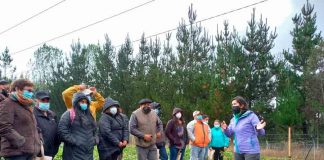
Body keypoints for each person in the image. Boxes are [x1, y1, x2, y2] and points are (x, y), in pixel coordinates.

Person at [0, 79, 41, 160]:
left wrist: (39, 140)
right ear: (17, 89)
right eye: (28, 90)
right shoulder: (8, 103)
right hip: (16, 153)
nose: (31, 93)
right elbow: (4, 127)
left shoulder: (26, 105)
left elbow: (34, 126)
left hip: (28, 152)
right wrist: (20, 141)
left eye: (32, 91)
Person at [221, 96, 266, 160]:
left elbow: (262, 133)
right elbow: (229, 134)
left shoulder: (251, 116)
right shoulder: (233, 120)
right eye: (232, 104)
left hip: (251, 151)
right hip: (238, 151)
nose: (233, 106)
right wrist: (225, 129)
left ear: (242, 105)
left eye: (235, 104)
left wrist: (258, 129)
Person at [58, 92, 97, 160]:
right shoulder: (68, 114)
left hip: (88, 153)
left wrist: (95, 140)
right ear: (76, 102)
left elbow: (95, 130)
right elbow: (62, 131)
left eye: (86, 102)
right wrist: (75, 141)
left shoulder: (89, 116)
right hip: (73, 154)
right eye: (82, 102)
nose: (84, 104)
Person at [33, 91, 60, 158]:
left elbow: (57, 131)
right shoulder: (32, 114)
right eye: (42, 100)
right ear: (36, 101)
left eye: (47, 101)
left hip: (52, 152)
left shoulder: (52, 114)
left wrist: (56, 146)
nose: (45, 103)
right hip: (38, 153)